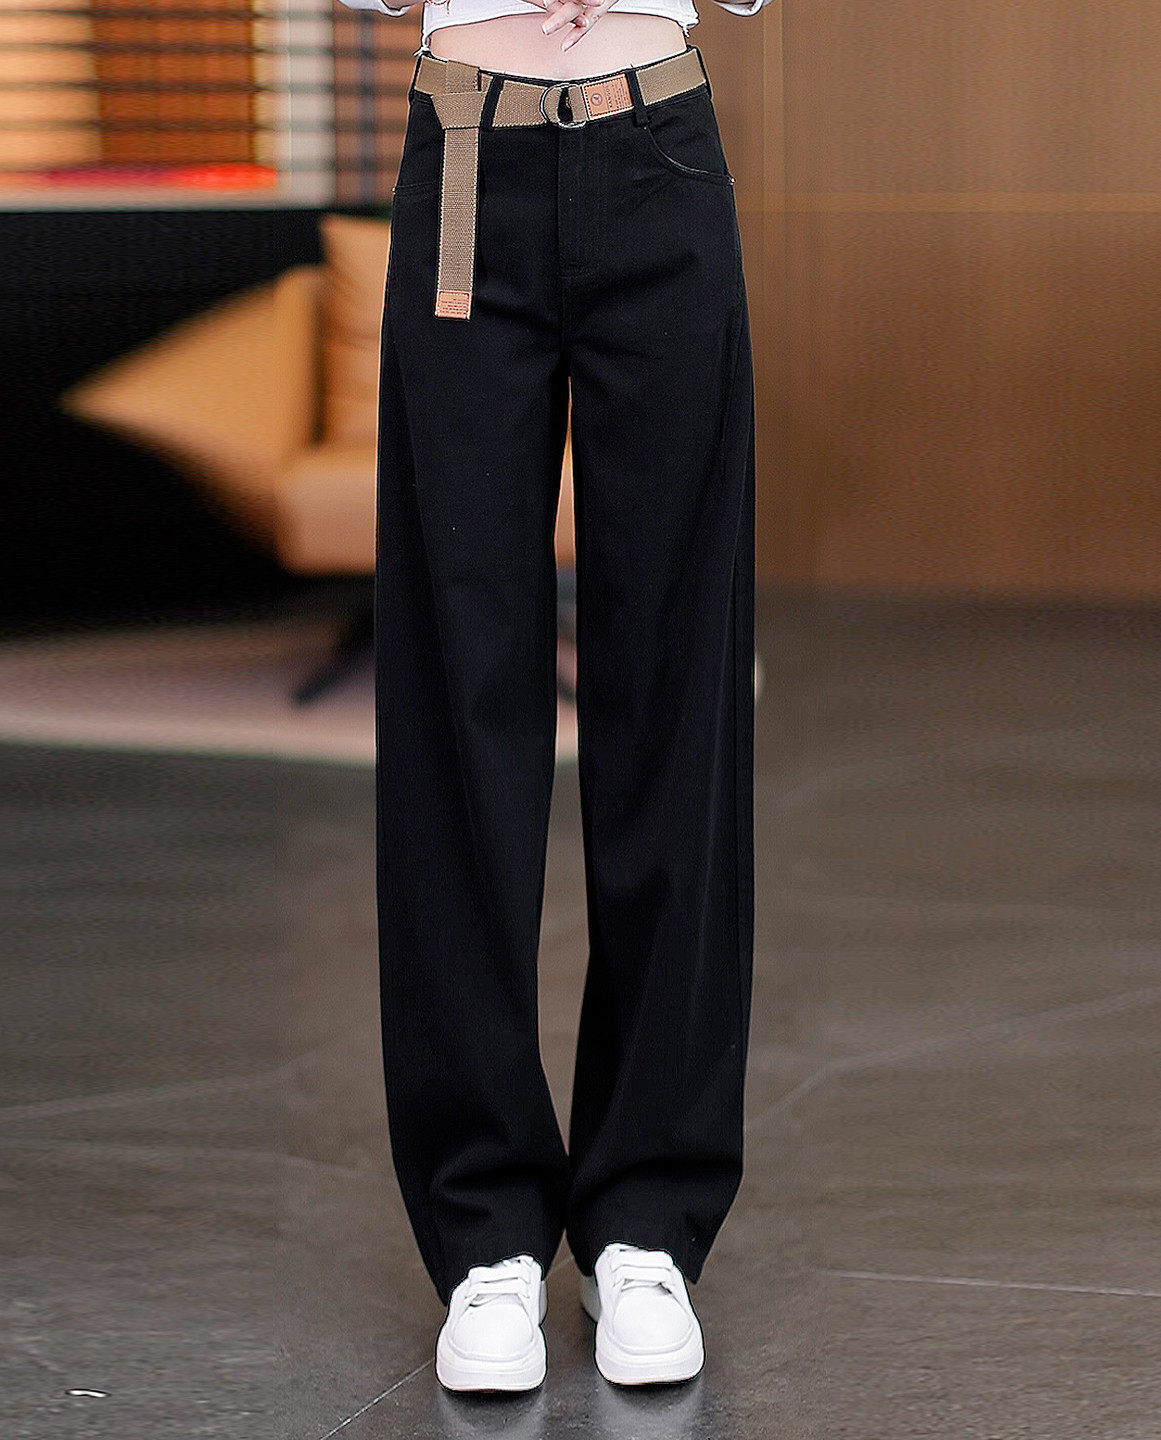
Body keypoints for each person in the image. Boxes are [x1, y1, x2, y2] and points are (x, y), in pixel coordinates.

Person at [337, 0, 767, 1392]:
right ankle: (486, 1233)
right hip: (470, 161)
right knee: (459, 700)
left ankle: (649, 1219)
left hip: (661, 155)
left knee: (677, 697)